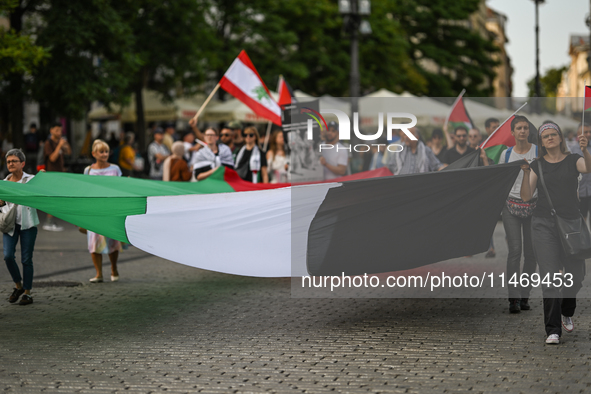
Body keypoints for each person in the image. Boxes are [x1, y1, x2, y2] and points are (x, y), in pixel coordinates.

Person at [520, 120, 591, 344]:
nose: (550, 138)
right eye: (545, 136)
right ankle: (553, 330)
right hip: (543, 225)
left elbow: (588, 168)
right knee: (549, 278)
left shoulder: (573, 159)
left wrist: (585, 150)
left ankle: (567, 309)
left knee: (576, 276)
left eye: (553, 134)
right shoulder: (536, 165)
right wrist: (524, 173)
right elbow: (525, 196)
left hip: (571, 224)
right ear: (541, 142)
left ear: (560, 138)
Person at [498, 116, 538, 314]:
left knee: (531, 254)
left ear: (529, 131)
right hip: (510, 207)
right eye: (518, 128)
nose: (522, 131)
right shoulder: (506, 155)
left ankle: (524, 295)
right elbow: (499, 181)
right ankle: (513, 298)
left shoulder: (538, 152)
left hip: (534, 206)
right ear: (512, 133)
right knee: (515, 251)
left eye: (525, 128)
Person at [1, 149, 40, 305]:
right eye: (8, 161)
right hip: (9, 224)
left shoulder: (31, 180)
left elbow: (43, 188)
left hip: (28, 224)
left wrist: (44, 176)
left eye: (14, 161)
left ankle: (27, 293)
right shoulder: (3, 183)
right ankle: (18, 286)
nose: (10, 164)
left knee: (26, 259)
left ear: (22, 164)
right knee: (8, 256)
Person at [84, 140, 122, 283]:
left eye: (106, 151)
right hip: (95, 210)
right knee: (94, 242)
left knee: (112, 240)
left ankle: (114, 268)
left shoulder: (115, 169)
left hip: (111, 209)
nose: (105, 154)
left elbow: (121, 188)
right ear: (94, 154)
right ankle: (99, 273)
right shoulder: (88, 170)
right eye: (101, 151)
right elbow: (85, 191)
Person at [43, 121, 71, 231]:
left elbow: (69, 152)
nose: (59, 133)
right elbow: (52, 158)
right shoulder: (48, 143)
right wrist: (59, 145)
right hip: (51, 174)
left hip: (59, 174)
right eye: (57, 130)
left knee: (56, 198)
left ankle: (50, 221)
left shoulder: (60, 141)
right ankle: (48, 222)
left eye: (60, 130)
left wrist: (65, 144)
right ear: (51, 130)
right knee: (52, 198)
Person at [567, 122, 591, 221]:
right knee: (581, 219)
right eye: (585, 132)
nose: (588, 134)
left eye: (590, 132)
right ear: (578, 133)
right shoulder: (572, 150)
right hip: (580, 192)